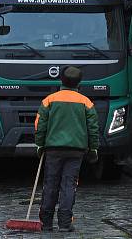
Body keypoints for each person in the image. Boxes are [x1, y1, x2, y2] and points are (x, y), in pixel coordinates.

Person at [34, 66, 99, 233]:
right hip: (76, 150)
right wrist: (93, 149)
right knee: (69, 185)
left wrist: (40, 145)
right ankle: (64, 223)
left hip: (53, 149)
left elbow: (40, 125)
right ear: (79, 82)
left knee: (50, 184)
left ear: (61, 80)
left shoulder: (49, 100)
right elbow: (93, 128)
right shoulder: (86, 102)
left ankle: (46, 222)